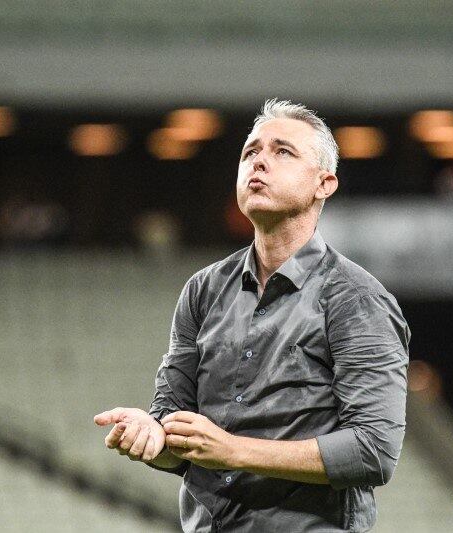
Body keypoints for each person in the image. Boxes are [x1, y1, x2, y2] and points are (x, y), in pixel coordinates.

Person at [94, 99, 410, 532]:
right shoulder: (202, 291)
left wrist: (233, 450)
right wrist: (152, 435)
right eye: (250, 152)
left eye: (283, 152)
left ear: (324, 183)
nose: (259, 162)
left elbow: (373, 450)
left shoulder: (355, 298)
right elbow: (174, 424)